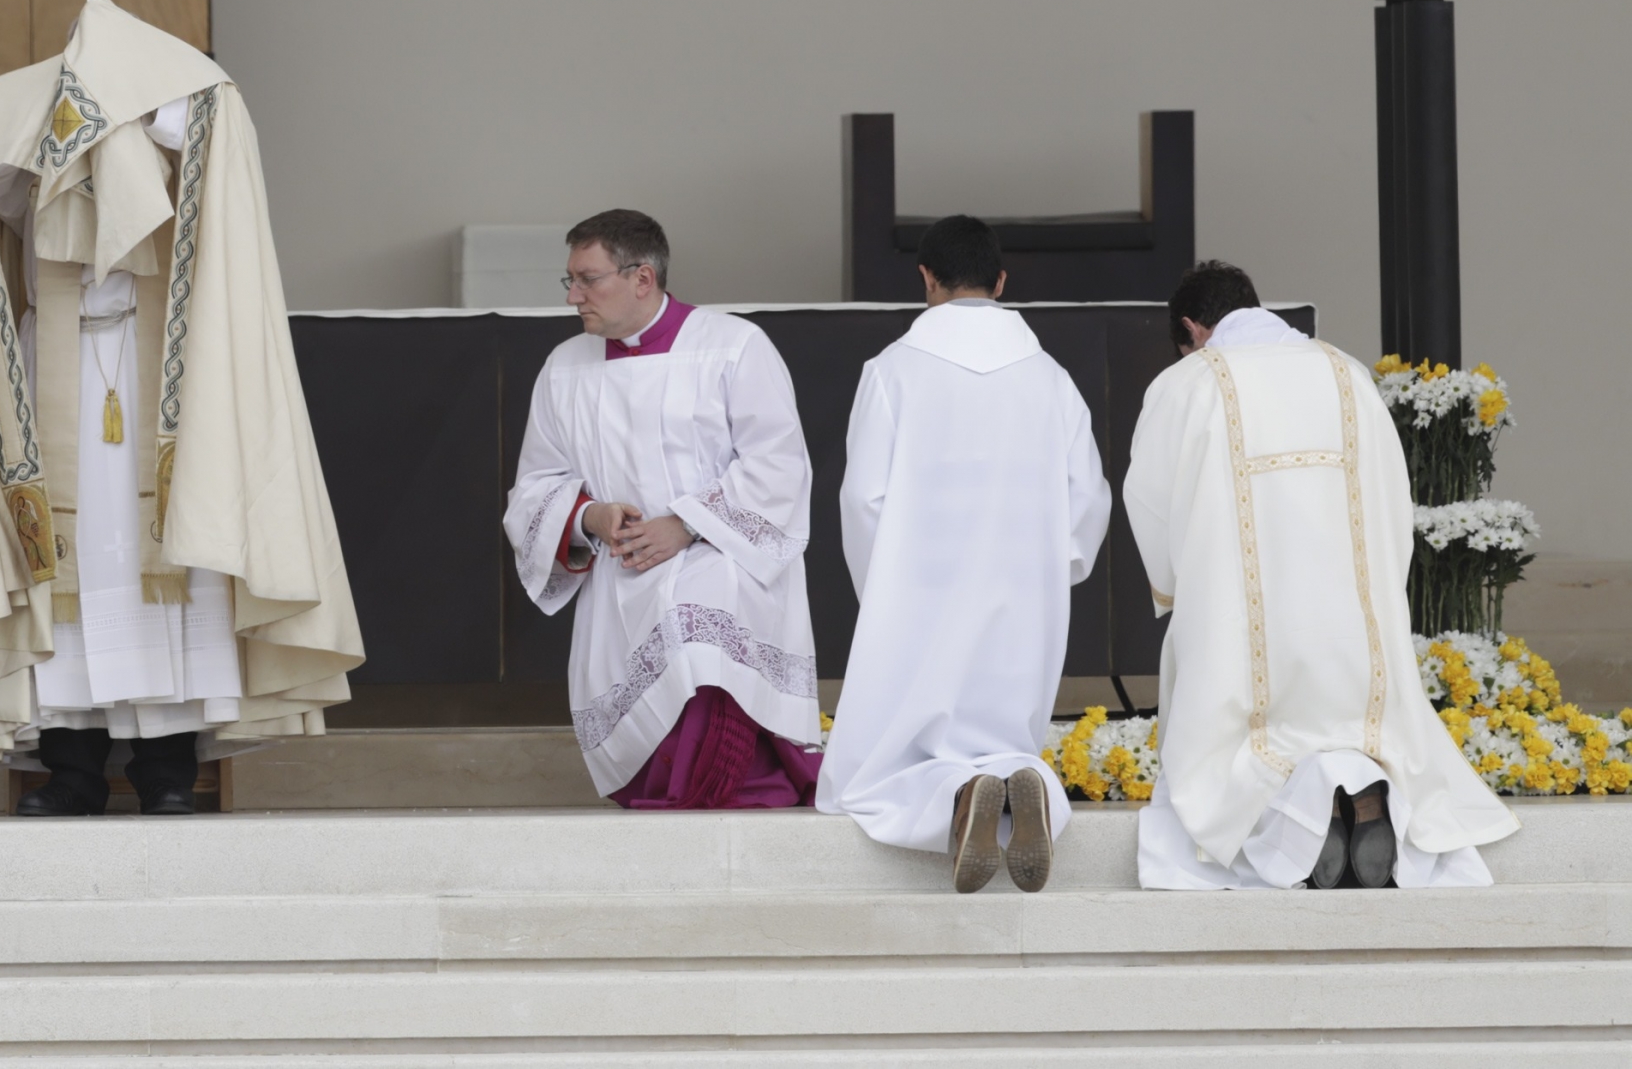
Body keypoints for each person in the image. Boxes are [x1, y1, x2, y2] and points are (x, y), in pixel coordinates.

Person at [0, 0, 363, 815]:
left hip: (159, 371)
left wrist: (129, 101)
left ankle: (166, 769)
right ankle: (71, 769)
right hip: (54, 367)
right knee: (64, 575)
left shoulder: (180, 117)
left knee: (170, 569)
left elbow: (211, 140)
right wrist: (51, 105)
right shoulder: (34, 121)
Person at [1127, 260, 1516, 889]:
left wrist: (1175, 587)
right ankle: (1363, 797)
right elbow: (1393, 496)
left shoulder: (1188, 383)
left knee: (1239, 744)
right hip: (1350, 632)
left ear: (1194, 329)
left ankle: (1305, 825)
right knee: (1352, 724)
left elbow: (1148, 498)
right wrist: (1379, 585)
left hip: (1241, 626)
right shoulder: (1346, 373)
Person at [815, 216, 1111, 891]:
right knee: (1003, 730)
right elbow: (1088, 495)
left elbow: (863, 497)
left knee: (886, 762)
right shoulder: (1050, 378)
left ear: (926, 278)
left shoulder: (892, 372)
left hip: (919, 590)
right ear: (1001, 282)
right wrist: (1054, 567)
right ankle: (1016, 780)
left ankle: (958, 793)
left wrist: (883, 584)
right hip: (1021, 592)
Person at [504, 210, 820, 809]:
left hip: (720, 555)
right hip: (621, 570)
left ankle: (721, 795)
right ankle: (664, 797)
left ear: (642, 278)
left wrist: (686, 525)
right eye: (570, 280)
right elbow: (533, 487)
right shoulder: (565, 368)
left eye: (587, 280)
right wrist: (591, 517)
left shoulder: (733, 346)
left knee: (699, 633)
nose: (573, 296)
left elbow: (778, 464)